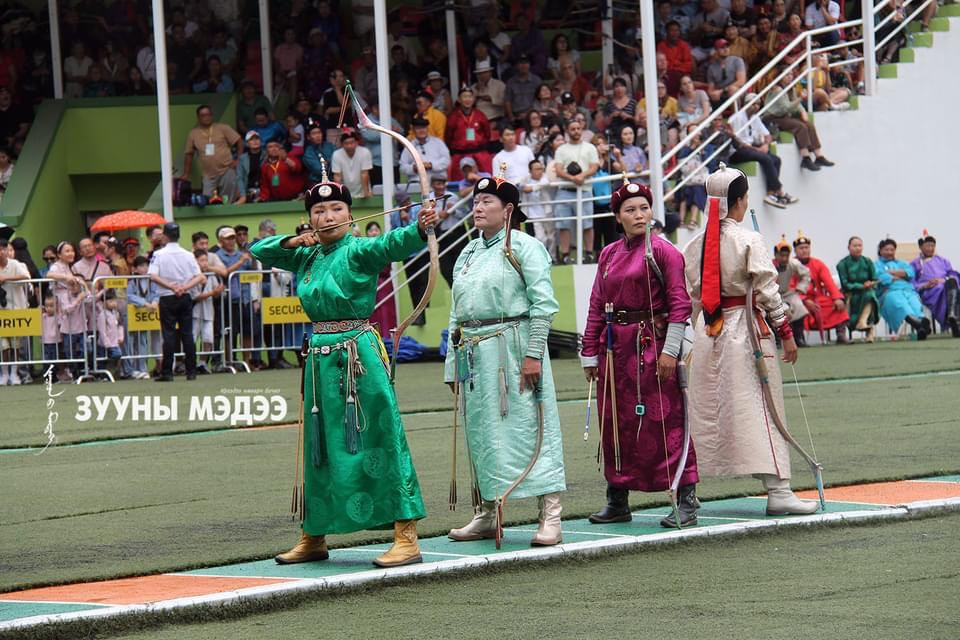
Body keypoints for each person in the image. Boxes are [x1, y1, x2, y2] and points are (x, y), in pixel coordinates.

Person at [250, 174, 439, 568]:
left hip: (358, 355)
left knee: (380, 436)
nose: (327, 215)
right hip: (319, 358)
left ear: (350, 216)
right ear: (311, 220)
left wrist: (421, 227)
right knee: (320, 445)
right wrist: (291, 241)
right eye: (319, 211)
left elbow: (394, 243)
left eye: (336, 209)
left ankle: (406, 536)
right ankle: (314, 535)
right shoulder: (305, 254)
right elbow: (260, 249)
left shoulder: (360, 250)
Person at [683, 164, 818, 516]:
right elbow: (768, 292)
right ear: (739, 202)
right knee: (762, 405)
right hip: (745, 329)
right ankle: (779, 489)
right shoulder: (748, 239)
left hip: (707, 332)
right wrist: (786, 332)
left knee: (713, 405)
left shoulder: (694, 244)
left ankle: (689, 489)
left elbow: (694, 298)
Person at [444, 171, 567, 546]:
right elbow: (456, 312)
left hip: (514, 347)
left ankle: (551, 516)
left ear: (508, 209)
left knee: (533, 426)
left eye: (487, 202)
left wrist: (533, 354)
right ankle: (486, 511)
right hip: (475, 353)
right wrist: (453, 364)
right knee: (480, 433)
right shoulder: (468, 250)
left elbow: (543, 306)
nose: (478, 207)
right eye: (476, 202)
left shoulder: (526, 247)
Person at [581, 180, 699, 528]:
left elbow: (680, 305)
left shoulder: (665, 252)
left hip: (653, 349)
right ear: (617, 216)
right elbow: (596, 306)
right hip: (615, 353)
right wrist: (590, 351)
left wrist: (670, 352)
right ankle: (617, 499)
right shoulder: (608, 254)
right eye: (630, 210)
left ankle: (687, 498)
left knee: (669, 421)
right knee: (616, 421)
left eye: (644, 208)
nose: (639, 215)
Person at [148, 223, 205, 381]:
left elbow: (153, 276)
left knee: (169, 334)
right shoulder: (188, 254)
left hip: (167, 296)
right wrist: (184, 287)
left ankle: (167, 372)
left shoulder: (159, 255)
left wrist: (171, 287)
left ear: (165, 235)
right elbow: (200, 276)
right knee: (187, 334)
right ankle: (191, 371)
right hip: (185, 296)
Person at [726, 98, 798, 208]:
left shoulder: (755, 118)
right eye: (753, 103)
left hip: (751, 149)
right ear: (746, 104)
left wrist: (765, 145)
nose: (756, 106)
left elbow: (767, 135)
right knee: (766, 158)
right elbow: (737, 141)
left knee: (776, 159)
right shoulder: (736, 118)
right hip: (737, 152)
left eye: (758, 104)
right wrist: (757, 149)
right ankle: (779, 191)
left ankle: (770, 193)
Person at [553, 119, 600, 264]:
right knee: (563, 224)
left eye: (578, 128)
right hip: (565, 191)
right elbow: (559, 170)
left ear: (582, 129)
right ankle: (565, 255)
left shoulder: (590, 147)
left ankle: (589, 253)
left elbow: (594, 167)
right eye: (573, 129)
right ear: (568, 131)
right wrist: (572, 178)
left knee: (587, 224)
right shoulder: (561, 149)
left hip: (584, 190)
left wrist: (582, 176)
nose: (576, 131)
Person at [793, 233, 850, 344]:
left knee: (838, 304)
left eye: (806, 248)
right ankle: (799, 338)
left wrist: (837, 297)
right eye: (801, 248)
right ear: (795, 250)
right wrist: (804, 299)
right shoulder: (791, 265)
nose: (804, 251)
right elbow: (790, 288)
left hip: (818, 298)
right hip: (800, 299)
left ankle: (841, 334)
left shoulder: (818, 264)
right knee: (797, 307)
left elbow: (829, 283)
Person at [181, 104, 243, 200]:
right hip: (208, 174)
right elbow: (189, 154)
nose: (206, 117)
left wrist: (238, 159)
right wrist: (186, 174)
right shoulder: (193, 133)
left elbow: (239, 141)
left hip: (227, 169)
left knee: (229, 199)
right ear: (198, 117)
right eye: (203, 115)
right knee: (207, 200)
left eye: (209, 114)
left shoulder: (223, 128)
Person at [875, 238, 931, 339]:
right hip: (888, 292)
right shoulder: (876, 265)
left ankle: (920, 326)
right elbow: (881, 278)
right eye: (886, 250)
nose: (889, 252)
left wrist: (891, 273)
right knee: (899, 303)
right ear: (880, 251)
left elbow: (910, 273)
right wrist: (900, 275)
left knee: (914, 303)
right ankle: (920, 325)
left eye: (892, 250)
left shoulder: (902, 263)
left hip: (908, 290)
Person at [911, 232, 960, 337]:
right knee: (950, 290)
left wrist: (944, 279)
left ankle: (952, 314)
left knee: (952, 282)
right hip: (929, 291)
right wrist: (924, 285)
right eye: (928, 245)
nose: (931, 248)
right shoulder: (915, 263)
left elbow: (952, 273)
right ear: (921, 247)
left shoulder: (943, 260)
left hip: (945, 286)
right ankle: (953, 318)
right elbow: (912, 282)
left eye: (933, 246)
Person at [837, 236, 880, 342]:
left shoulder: (867, 261)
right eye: (855, 246)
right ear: (849, 247)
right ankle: (859, 324)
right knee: (868, 295)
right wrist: (861, 286)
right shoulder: (842, 264)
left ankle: (863, 323)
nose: (857, 248)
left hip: (866, 292)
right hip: (850, 294)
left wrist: (871, 283)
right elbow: (845, 284)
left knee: (870, 295)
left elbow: (874, 279)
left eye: (860, 246)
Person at [445, 86, 493, 181]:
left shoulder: (480, 115)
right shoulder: (453, 117)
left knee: (485, 182)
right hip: (460, 155)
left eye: (470, 96)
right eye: (464, 97)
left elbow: (487, 134)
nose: (468, 99)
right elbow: (448, 137)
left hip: (479, 154)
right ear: (459, 99)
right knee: (460, 183)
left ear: (474, 99)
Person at [0, 237, 29, 385]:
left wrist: (6, 278)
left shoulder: (16, 264)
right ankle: (4, 373)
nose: (1, 252)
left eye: (3, 249)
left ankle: (14, 373)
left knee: (16, 344)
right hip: (1, 312)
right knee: (3, 345)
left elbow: (26, 276)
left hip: (17, 308)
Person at [773, 236, 812, 346]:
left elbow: (806, 274)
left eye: (786, 256)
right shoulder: (769, 265)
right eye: (782, 255)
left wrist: (800, 287)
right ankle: (777, 340)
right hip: (772, 295)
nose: (784, 258)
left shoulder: (793, 263)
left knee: (799, 307)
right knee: (773, 313)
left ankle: (798, 337)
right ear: (776, 255)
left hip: (787, 293)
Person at [364, 221, 398, 336]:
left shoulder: (385, 246)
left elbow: (386, 267)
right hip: (369, 285)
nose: (374, 232)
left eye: (376, 230)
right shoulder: (363, 247)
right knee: (373, 313)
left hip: (384, 284)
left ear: (380, 232)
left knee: (386, 313)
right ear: (367, 233)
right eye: (371, 230)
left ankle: (388, 338)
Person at [400, 117, 451, 187]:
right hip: (418, 184)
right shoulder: (409, 146)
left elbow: (447, 161)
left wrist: (431, 165)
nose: (421, 130)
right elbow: (403, 167)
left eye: (423, 128)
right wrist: (414, 168)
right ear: (413, 130)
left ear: (427, 129)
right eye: (418, 128)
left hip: (438, 184)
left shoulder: (438, 143)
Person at [331, 130, 373, 199]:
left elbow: (364, 173)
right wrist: (340, 193)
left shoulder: (365, 152)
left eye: (352, 142)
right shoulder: (336, 154)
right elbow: (337, 176)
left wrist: (366, 192)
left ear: (357, 142)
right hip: (345, 191)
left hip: (362, 190)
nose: (349, 145)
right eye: (346, 143)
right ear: (341, 144)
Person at [235, 130, 264, 203]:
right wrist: (242, 195)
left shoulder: (266, 155)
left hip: (264, 191)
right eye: (251, 139)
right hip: (248, 191)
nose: (255, 141)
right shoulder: (242, 158)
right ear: (247, 144)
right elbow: (239, 178)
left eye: (257, 139)